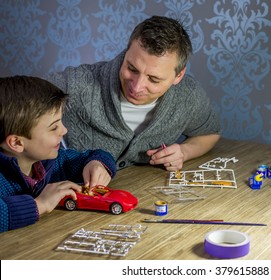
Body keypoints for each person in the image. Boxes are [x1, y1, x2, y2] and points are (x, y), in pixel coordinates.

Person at [47, 15, 221, 171]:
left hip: (143, 192)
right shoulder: (77, 82)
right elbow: (21, 101)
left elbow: (209, 133)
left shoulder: (189, 95)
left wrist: (184, 151)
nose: (137, 87)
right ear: (126, 53)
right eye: (132, 68)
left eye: (153, 79)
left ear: (178, 75)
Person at [0, 76, 116, 232]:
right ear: (17, 143)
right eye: (54, 128)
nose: (64, 130)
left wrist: (97, 164)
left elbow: (96, 155)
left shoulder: (52, 161)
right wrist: (40, 204)